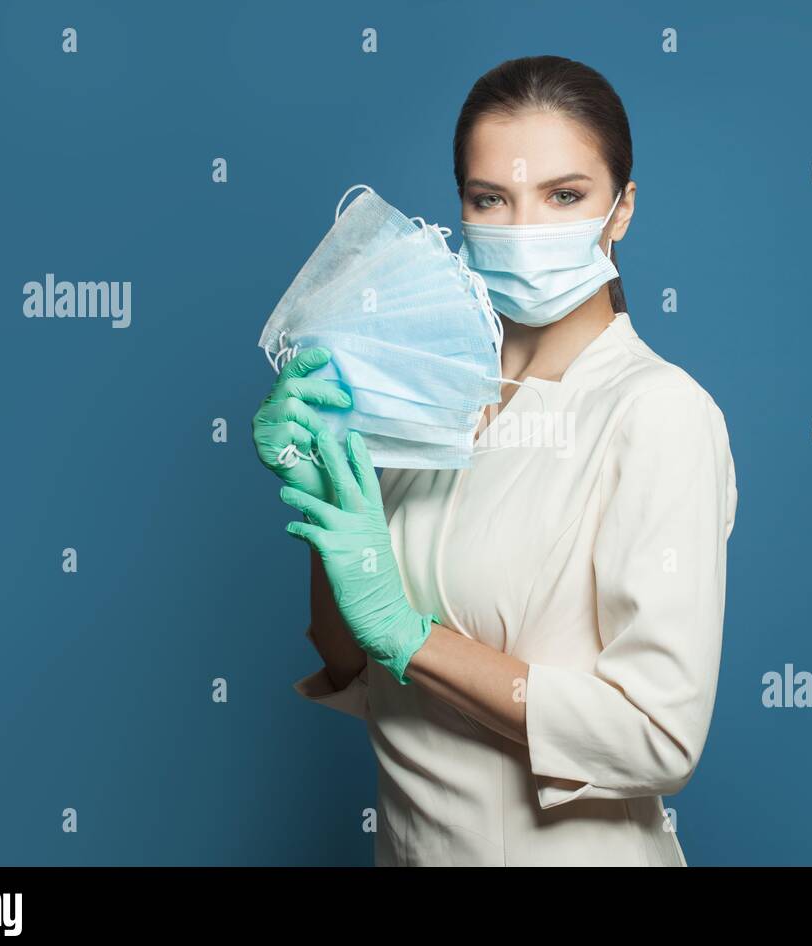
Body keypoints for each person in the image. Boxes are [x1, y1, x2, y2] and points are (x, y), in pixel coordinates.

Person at [252, 55, 738, 866]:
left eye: (565, 196)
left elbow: (659, 737)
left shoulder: (657, 414)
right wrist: (328, 487)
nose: (524, 230)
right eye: (491, 199)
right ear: (462, 209)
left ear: (622, 209)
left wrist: (412, 635)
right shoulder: (423, 397)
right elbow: (350, 664)